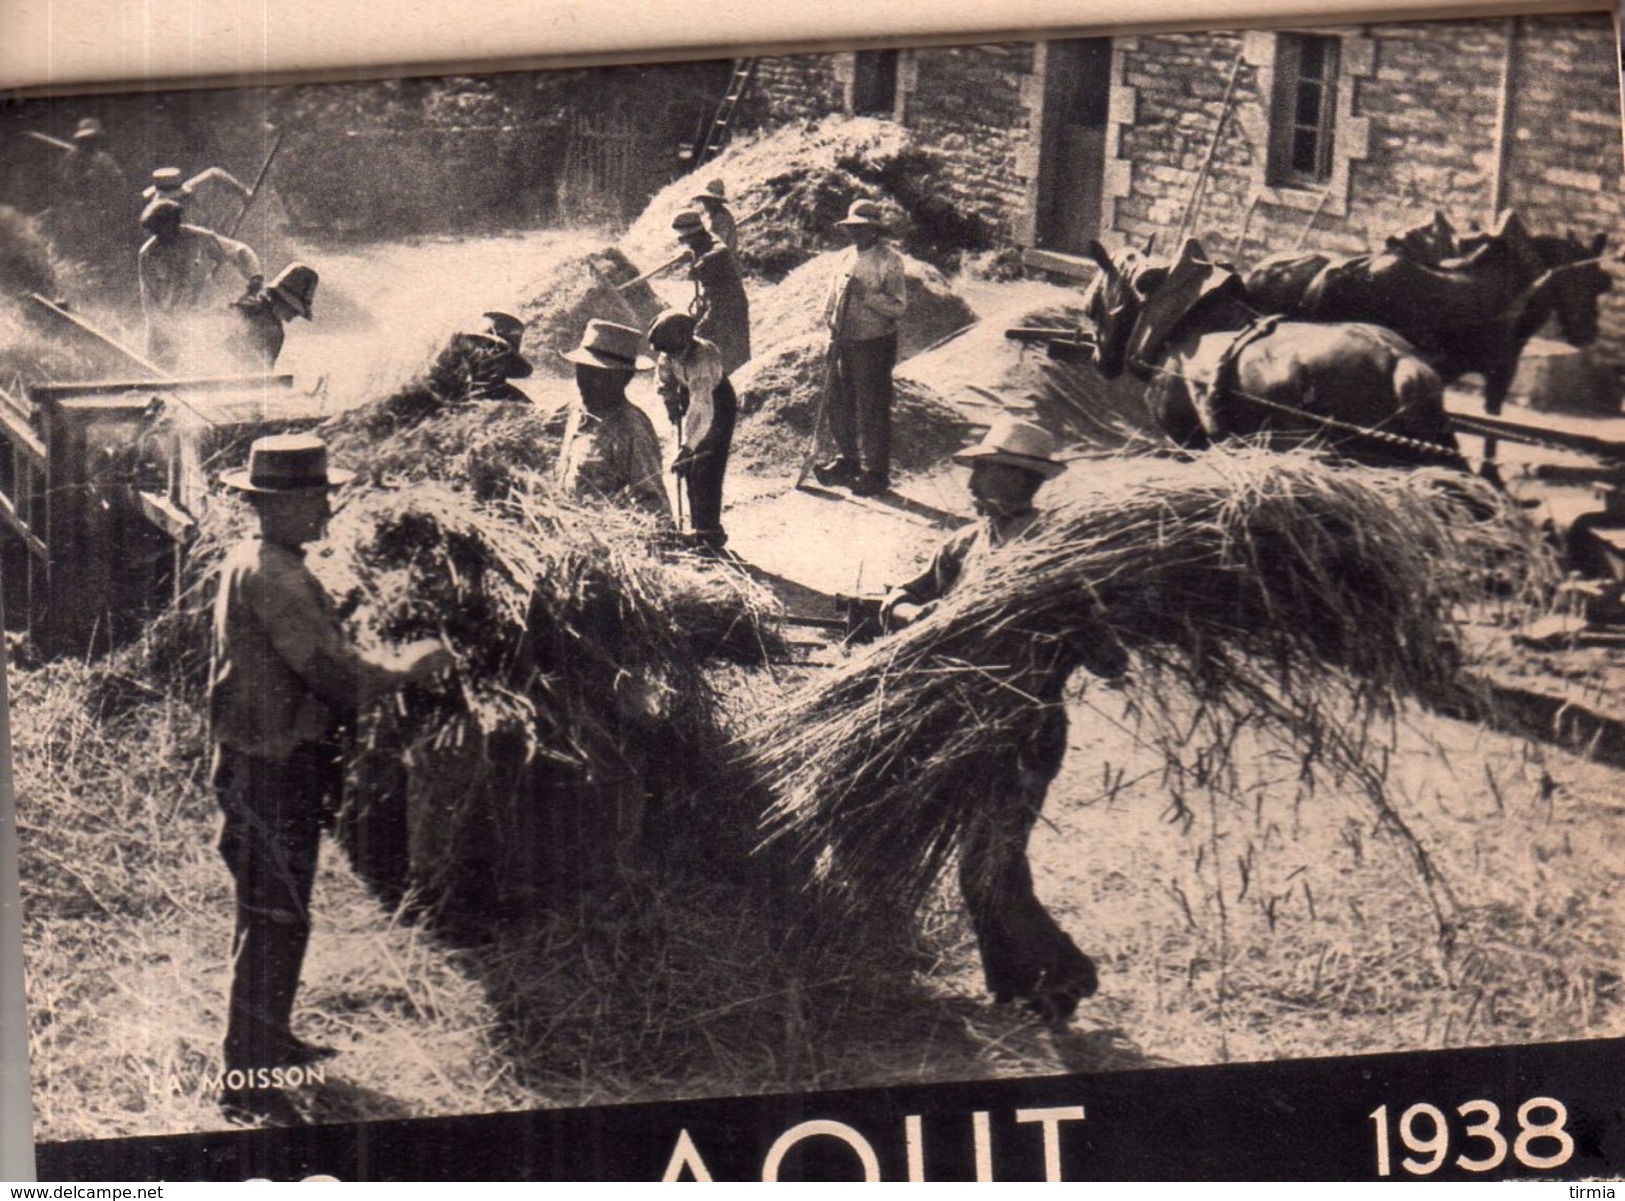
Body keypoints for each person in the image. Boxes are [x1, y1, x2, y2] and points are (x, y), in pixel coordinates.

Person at [211, 434, 451, 1125]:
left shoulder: (256, 560)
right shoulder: (280, 579)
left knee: (273, 912)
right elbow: (335, 675)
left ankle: (267, 1038)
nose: (326, 508)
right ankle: (245, 1082)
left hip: (256, 758)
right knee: (275, 917)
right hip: (272, 767)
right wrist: (412, 668)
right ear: (279, 505)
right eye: (316, 498)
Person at [880, 417, 1126, 1015]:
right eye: (976, 469)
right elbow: (898, 598)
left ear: (1021, 480)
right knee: (988, 865)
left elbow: (1109, 658)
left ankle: (1067, 972)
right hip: (961, 725)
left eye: (986, 471)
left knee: (986, 864)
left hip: (1025, 730)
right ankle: (1016, 986)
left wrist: (1064, 628)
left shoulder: (1056, 557)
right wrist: (919, 618)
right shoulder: (963, 545)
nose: (973, 480)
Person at [815, 199, 908, 498]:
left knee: (872, 407)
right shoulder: (844, 257)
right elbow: (832, 298)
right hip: (843, 339)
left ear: (875, 230)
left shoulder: (889, 260)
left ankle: (876, 473)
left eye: (863, 228)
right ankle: (848, 461)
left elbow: (898, 307)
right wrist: (829, 330)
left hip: (874, 343)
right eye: (853, 228)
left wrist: (866, 295)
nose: (857, 234)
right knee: (839, 402)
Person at [557, 319, 671, 524]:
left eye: (599, 375)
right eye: (583, 371)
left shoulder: (631, 429)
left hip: (606, 538)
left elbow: (653, 502)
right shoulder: (574, 410)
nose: (587, 381)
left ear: (623, 378)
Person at [649, 310, 737, 551]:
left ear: (685, 340)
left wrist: (687, 447)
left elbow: (701, 408)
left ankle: (709, 534)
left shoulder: (702, 358)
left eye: (673, 351)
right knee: (690, 469)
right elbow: (665, 377)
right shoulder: (670, 352)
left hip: (716, 402)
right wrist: (670, 402)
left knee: (706, 467)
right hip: (691, 395)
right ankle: (698, 528)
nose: (669, 356)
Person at [137, 196, 263, 364]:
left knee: (211, 357)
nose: (164, 234)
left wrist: (255, 276)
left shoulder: (198, 238)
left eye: (168, 226)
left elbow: (240, 251)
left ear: (176, 222)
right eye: (157, 230)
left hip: (202, 310)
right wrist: (167, 327)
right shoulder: (149, 254)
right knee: (157, 365)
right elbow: (149, 299)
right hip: (168, 317)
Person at [672, 209, 752, 375]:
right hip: (714, 301)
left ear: (694, 234)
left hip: (728, 304)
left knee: (706, 342)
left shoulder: (715, 248)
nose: (685, 243)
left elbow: (720, 250)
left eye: (685, 239)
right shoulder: (701, 244)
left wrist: (700, 263)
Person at [49, 118, 129, 269]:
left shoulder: (105, 160)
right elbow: (61, 186)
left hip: (101, 212)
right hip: (75, 212)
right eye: (85, 140)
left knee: (101, 251)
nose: (89, 143)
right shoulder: (70, 160)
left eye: (92, 140)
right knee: (76, 250)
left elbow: (119, 185)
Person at [230, 262, 318, 370]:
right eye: (294, 310)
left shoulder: (243, 305)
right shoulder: (274, 332)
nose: (295, 315)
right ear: (281, 300)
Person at [691, 178, 739, 254]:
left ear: (715, 201)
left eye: (708, 200)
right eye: (703, 200)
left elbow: (719, 245)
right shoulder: (710, 217)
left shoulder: (721, 218)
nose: (705, 203)